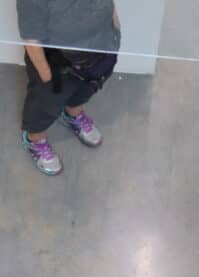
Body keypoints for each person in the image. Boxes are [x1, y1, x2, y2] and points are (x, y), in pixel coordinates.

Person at [16, 0, 122, 175]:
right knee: (45, 104)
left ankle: (73, 114)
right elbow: (31, 38)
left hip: (97, 53)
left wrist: (116, 32)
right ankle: (35, 138)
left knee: (85, 90)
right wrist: (47, 78)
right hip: (57, 65)